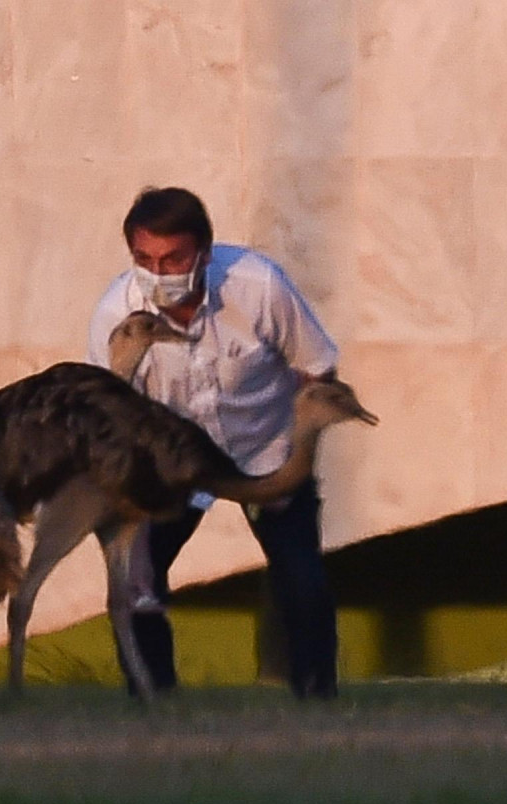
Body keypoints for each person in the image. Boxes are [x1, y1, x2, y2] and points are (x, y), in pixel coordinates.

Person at [87, 186, 341, 699]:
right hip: (171, 467)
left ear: (203, 252)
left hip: (265, 452)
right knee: (138, 583)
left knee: (301, 580)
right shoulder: (117, 314)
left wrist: (295, 457)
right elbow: (107, 423)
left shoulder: (259, 285)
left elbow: (317, 370)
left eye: (173, 258)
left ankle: (317, 701)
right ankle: (153, 702)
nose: (159, 273)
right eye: (145, 259)